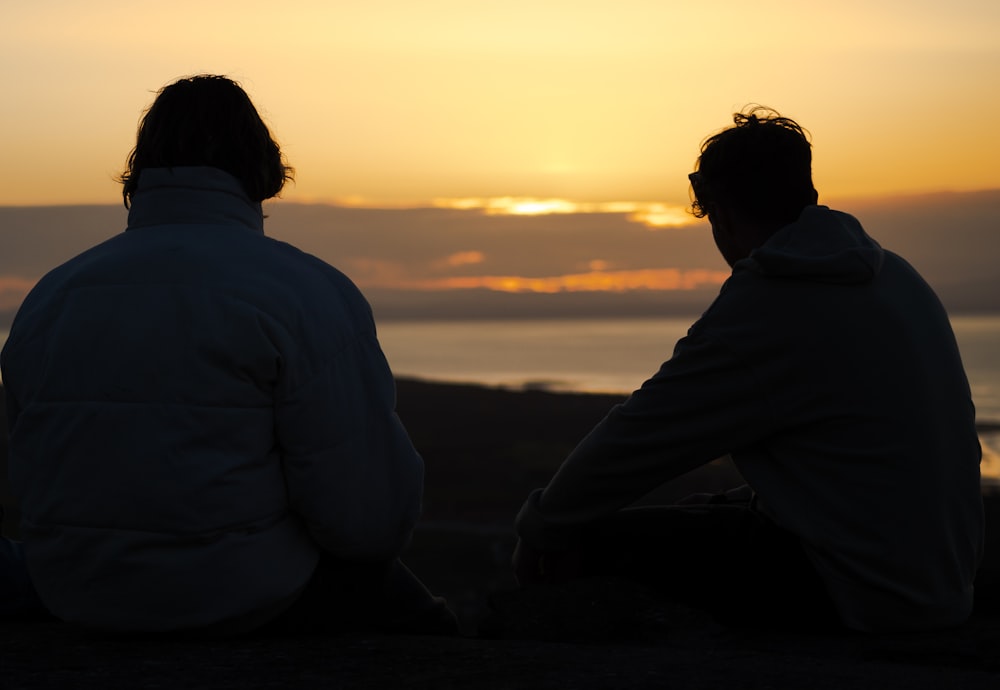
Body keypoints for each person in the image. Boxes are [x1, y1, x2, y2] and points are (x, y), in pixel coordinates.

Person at [0, 75, 457, 635]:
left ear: (139, 174)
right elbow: (367, 521)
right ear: (262, 170)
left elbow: (30, 469)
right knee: (429, 628)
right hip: (242, 595)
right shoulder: (303, 290)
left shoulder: (51, 295)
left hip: (70, 591)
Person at [512, 107, 984, 633]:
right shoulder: (894, 275)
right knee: (701, 508)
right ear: (805, 193)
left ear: (721, 213)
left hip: (859, 590)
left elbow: (642, 433)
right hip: (938, 580)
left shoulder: (771, 302)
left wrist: (543, 524)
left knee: (586, 546)